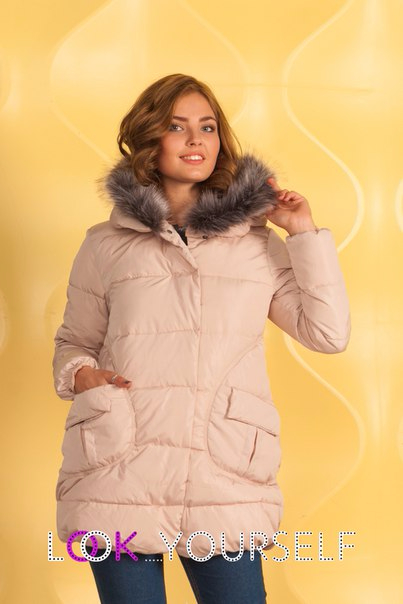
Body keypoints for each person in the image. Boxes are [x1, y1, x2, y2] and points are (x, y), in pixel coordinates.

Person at [52, 73, 351, 603]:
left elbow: (327, 333)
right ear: (150, 139)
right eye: (177, 126)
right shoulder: (105, 245)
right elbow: (74, 341)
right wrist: (83, 375)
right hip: (119, 466)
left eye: (208, 127)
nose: (196, 140)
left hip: (223, 468)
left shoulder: (256, 244)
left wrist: (303, 232)